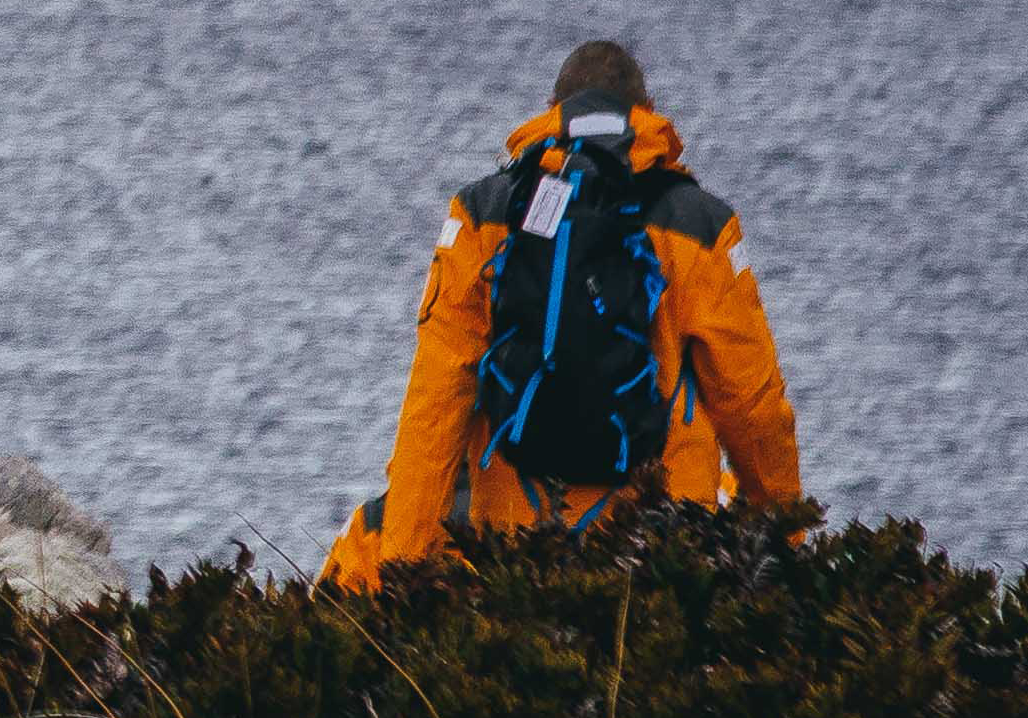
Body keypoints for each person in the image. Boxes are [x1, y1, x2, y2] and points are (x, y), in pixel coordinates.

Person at [323, 39, 804, 588]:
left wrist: (403, 569)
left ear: (554, 109)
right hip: (659, 549)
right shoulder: (698, 224)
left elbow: (435, 401)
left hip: (515, 547)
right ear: (646, 112)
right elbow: (754, 405)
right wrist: (783, 542)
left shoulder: (483, 215)